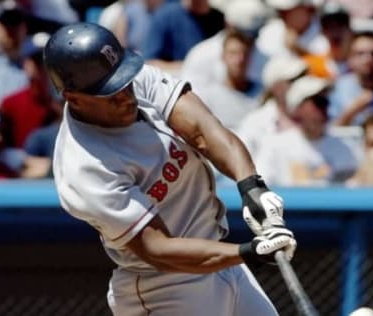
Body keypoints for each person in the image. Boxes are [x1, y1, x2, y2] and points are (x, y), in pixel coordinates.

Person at [43, 22, 296, 316]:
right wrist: (247, 252)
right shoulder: (84, 168)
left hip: (220, 259)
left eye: (124, 82)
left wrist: (251, 186)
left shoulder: (132, 80)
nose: (126, 94)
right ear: (73, 98)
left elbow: (204, 130)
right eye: (111, 94)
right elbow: (158, 249)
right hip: (164, 289)